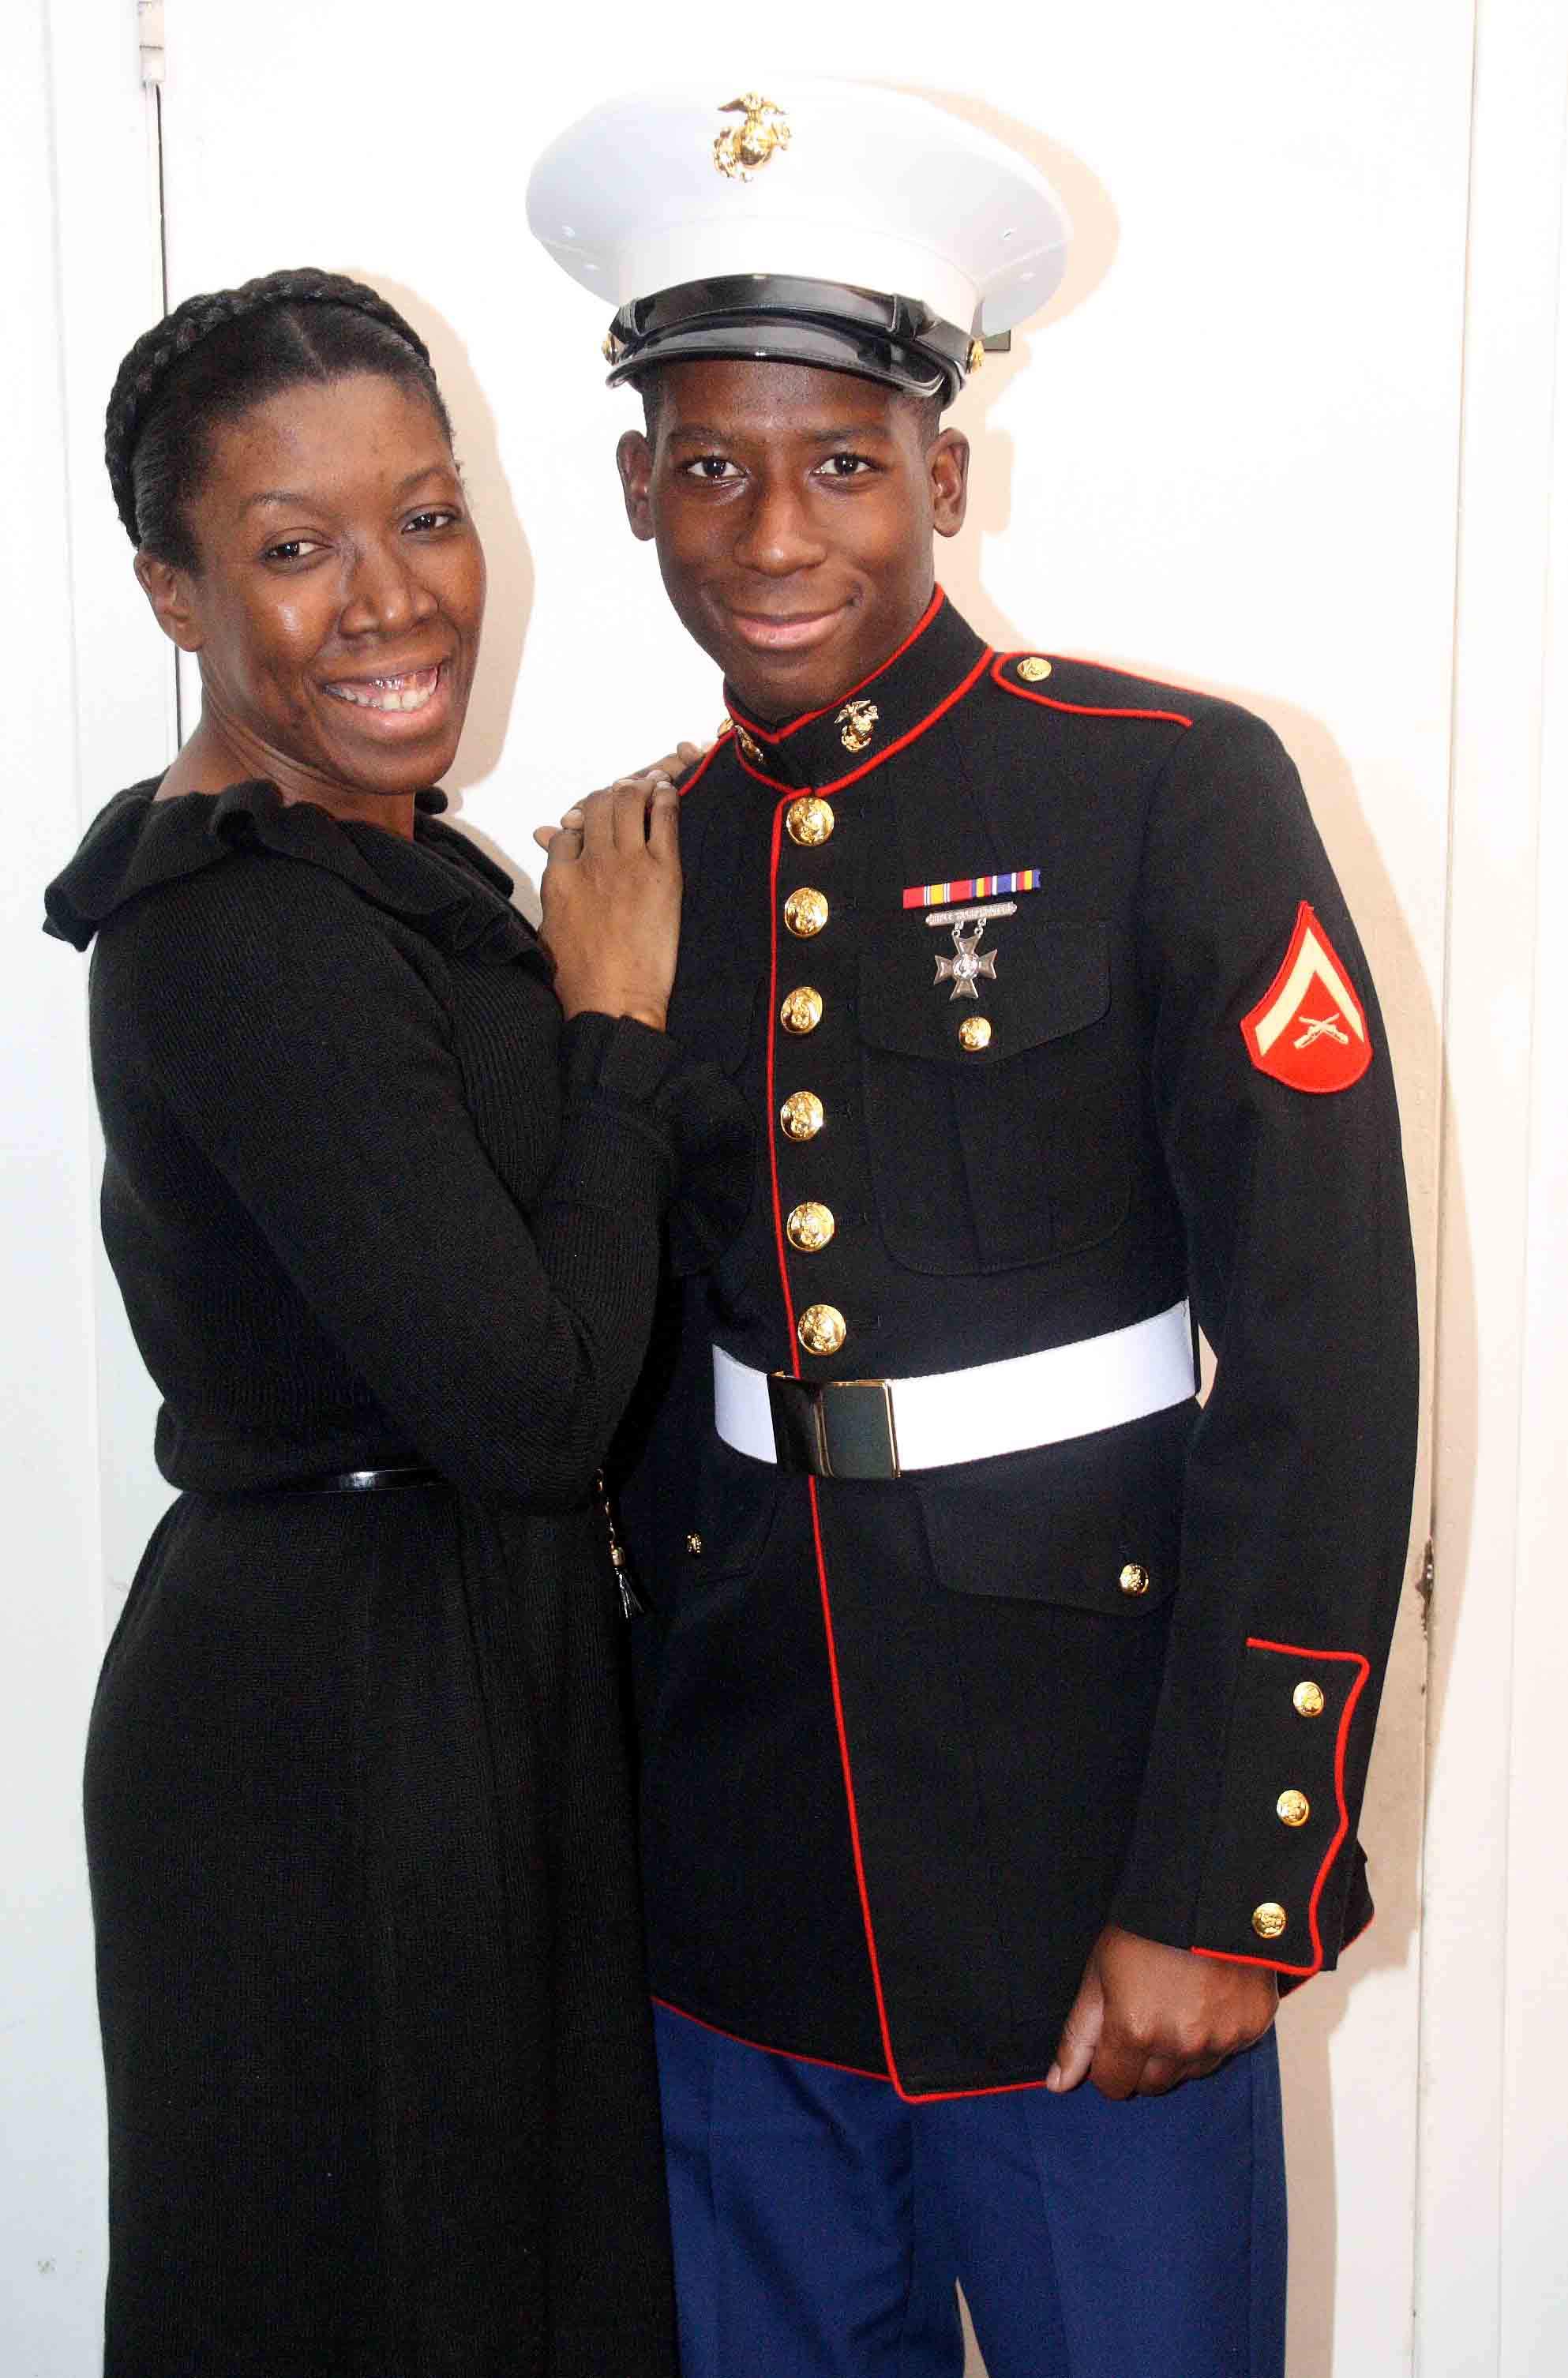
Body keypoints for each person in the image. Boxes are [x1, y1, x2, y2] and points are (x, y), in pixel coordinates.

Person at [527, 86, 1420, 2378]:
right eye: (708, 466)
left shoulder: (1163, 785)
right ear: (633, 484)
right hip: (737, 1880)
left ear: (944, 469)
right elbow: (618, 1363)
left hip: (1083, 1863)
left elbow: (1321, 1354)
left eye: (840, 461)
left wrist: (1231, 1878)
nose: (771, 533)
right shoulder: (634, 868)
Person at [43, 266, 745, 2377]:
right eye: (294, 547)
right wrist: (613, 1023)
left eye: (425, 515)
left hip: (446, 1666)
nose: (390, 597)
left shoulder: (387, 875)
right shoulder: (239, 931)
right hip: (338, 1730)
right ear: (174, 596)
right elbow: (529, 1402)